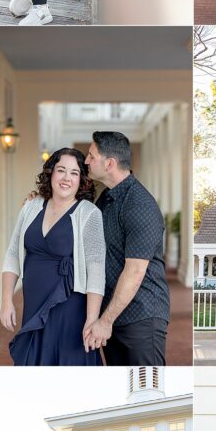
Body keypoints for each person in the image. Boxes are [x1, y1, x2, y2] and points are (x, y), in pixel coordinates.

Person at [1, 148, 105, 365]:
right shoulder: (31, 206)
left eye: (74, 173)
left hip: (69, 307)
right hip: (33, 304)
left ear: (82, 179)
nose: (67, 178)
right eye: (61, 170)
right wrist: (6, 301)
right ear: (50, 173)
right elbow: (12, 253)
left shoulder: (89, 213)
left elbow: (96, 269)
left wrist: (92, 319)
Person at [83, 132, 170, 366]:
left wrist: (105, 321)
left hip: (141, 316)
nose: (86, 161)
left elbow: (135, 271)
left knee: (148, 386)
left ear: (109, 163)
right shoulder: (107, 198)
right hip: (114, 314)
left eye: (91, 156)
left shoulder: (139, 205)